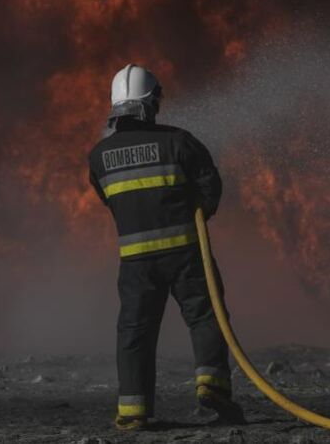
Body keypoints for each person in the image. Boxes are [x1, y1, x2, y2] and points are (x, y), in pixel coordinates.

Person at [88, 64, 245, 431]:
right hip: (187, 255)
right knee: (206, 316)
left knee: (134, 332)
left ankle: (133, 411)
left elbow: (109, 200)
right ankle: (212, 386)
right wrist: (197, 212)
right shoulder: (179, 141)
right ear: (150, 103)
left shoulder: (98, 156)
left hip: (135, 263)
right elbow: (211, 188)